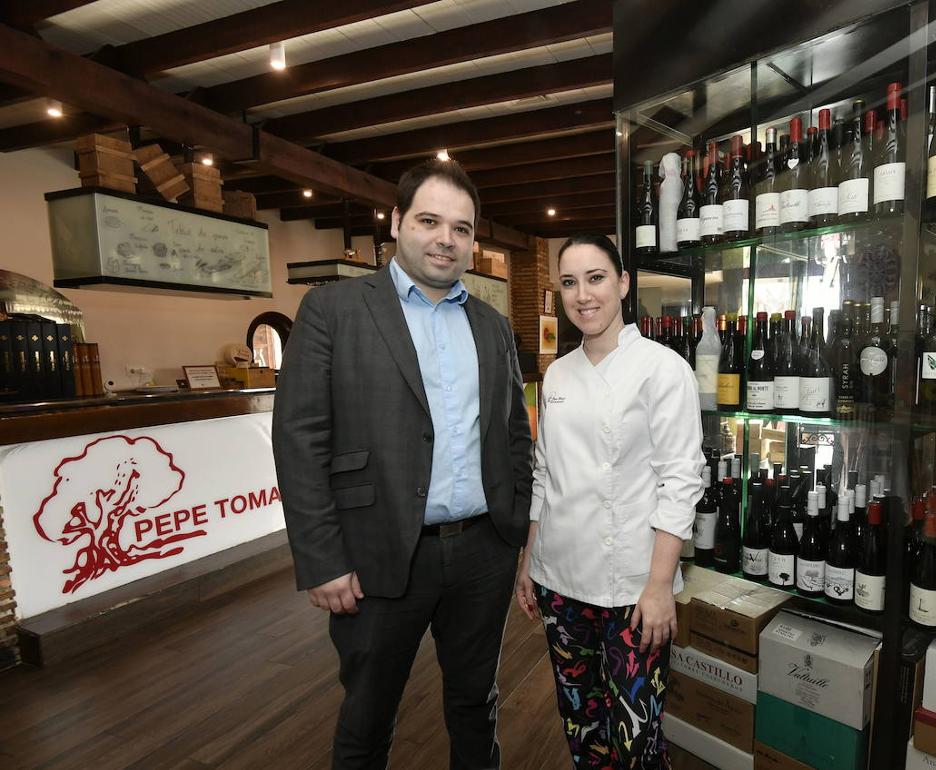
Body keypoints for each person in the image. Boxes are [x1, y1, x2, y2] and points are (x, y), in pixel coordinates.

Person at [272, 159, 533, 770]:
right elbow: (300, 438)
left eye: (462, 228)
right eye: (429, 220)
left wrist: (513, 528)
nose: (446, 238)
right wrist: (322, 559)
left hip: (481, 553)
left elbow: (514, 433)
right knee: (367, 716)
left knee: (476, 704)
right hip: (376, 554)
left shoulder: (492, 326)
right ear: (395, 222)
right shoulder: (332, 311)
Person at [515, 234, 703, 769]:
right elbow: (545, 474)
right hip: (559, 583)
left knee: (637, 740)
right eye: (569, 282)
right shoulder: (557, 374)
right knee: (583, 729)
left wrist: (661, 585)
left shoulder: (663, 369)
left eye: (596, 278)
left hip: (633, 588)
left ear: (622, 282)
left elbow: (680, 481)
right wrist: (530, 559)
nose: (583, 295)